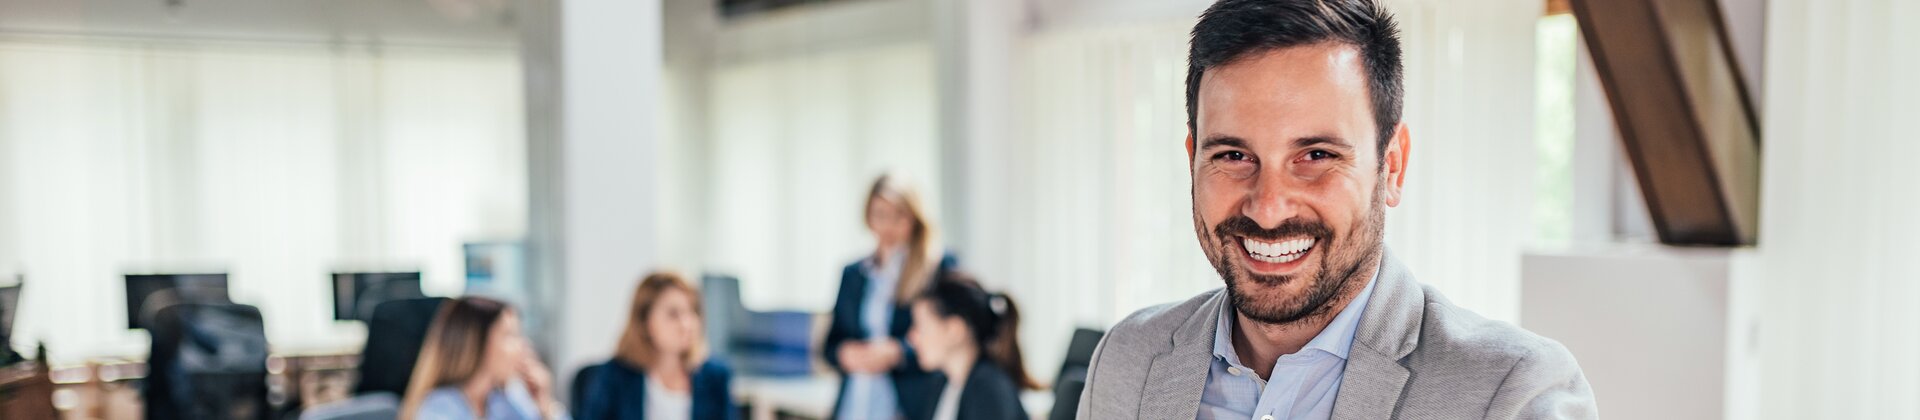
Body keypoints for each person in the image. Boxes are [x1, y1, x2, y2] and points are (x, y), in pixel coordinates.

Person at [1075, 0, 1599, 419]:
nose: (1268, 208)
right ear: (1192, 161)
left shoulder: (1512, 393)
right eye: (1233, 156)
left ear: (1392, 167)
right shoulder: (1128, 360)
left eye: (1317, 155)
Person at [824, 173, 958, 420]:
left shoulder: (936, 267)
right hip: (857, 401)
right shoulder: (854, 274)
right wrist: (846, 354)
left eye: (898, 216)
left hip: (908, 402)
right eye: (880, 215)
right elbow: (830, 345)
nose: (888, 225)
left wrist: (898, 352)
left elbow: (952, 336)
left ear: (915, 218)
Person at [577, 271, 736, 420]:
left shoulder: (716, 377)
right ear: (645, 321)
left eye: (692, 311)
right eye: (673, 314)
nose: (687, 324)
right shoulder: (615, 376)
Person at [401, 296, 567, 420]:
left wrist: (544, 404)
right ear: (477, 345)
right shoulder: (439, 409)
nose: (523, 347)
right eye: (510, 336)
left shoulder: (503, 400)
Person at [905, 272, 1040, 420]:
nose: (911, 338)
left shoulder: (989, 390)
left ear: (955, 330)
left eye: (920, 326)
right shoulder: (944, 385)